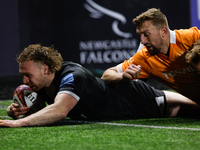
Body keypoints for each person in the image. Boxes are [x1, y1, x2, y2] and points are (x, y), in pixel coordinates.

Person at [0, 44, 199, 128]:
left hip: (143, 100)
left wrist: (20, 123)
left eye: (28, 75)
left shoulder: (72, 75)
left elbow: (60, 110)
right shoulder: (42, 84)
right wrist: (15, 111)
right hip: (128, 108)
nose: (24, 81)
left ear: (45, 69)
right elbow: (40, 110)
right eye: (22, 76)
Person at [101, 8, 200, 104]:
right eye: (140, 35)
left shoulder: (192, 37)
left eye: (146, 34)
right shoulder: (145, 58)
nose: (142, 41)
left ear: (164, 31)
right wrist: (122, 77)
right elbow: (107, 75)